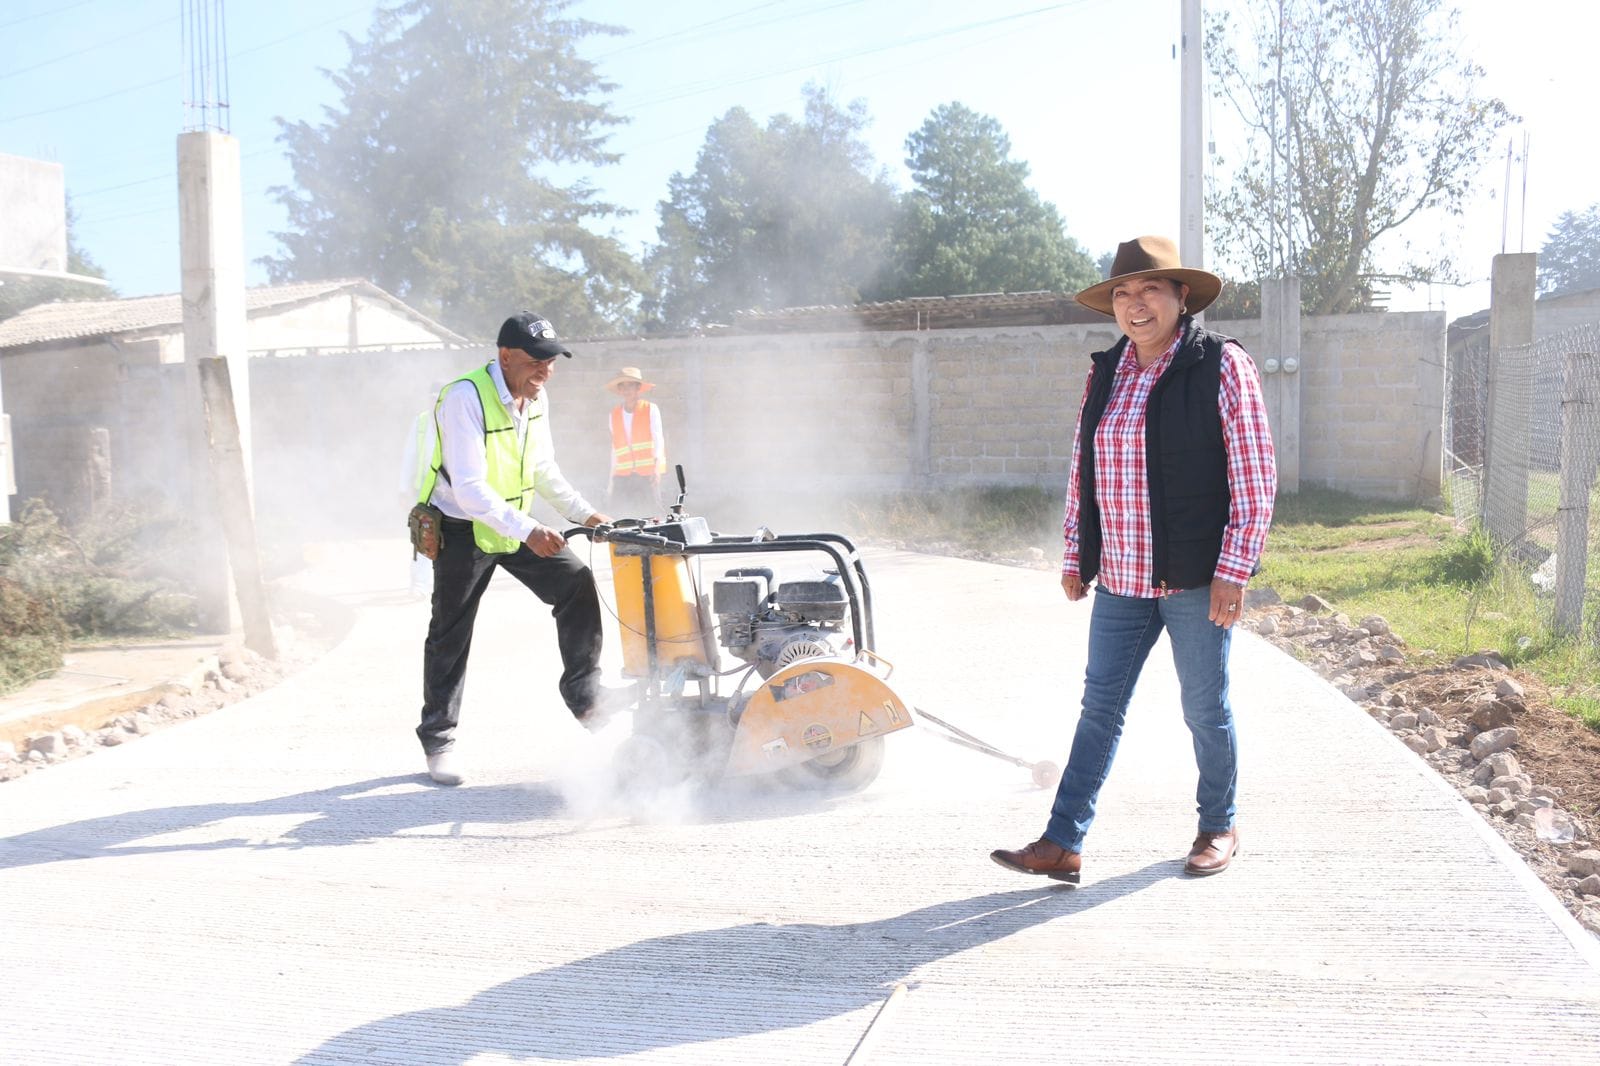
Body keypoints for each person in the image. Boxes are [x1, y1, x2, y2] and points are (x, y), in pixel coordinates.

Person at [991, 235, 1277, 883]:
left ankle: (1218, 824)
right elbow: (1083, 467)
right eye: (1122, 292)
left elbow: (1254, 475)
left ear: (1181, 296)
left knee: (1204, 707)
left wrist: (1235, 568)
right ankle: (1063, 841)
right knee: (1099, 708)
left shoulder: (1223, 367)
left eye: (1149, 289)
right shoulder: (1107, 371)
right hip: (1120, 576)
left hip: (1195, 578)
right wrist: (1076, 552)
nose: (1134, 303)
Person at [415, 312, 614, 787]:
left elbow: (544, 469)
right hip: (463, 528)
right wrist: (529, 530)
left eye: (551, 361)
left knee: (576, 583)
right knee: (450, 632)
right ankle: (438, 740)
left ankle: (586, 700)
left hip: (513, 522)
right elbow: (468, 488)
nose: (545, 371)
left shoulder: (535, 398)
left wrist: (587, 515)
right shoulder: (465, 398)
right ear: (505, 356)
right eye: (536, 361)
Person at [604, 367, 667, 518]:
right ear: (619, 390)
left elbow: (658, 439)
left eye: (630, 385)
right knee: (619, 517)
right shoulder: (614, 415)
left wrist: (656, 468)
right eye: (623, 386)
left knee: (652, 516)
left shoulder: (650, 409)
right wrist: (611, 481)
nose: (627, 390)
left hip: (647, 474)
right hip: (623, 475)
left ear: (638, 388)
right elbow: (615, 449)